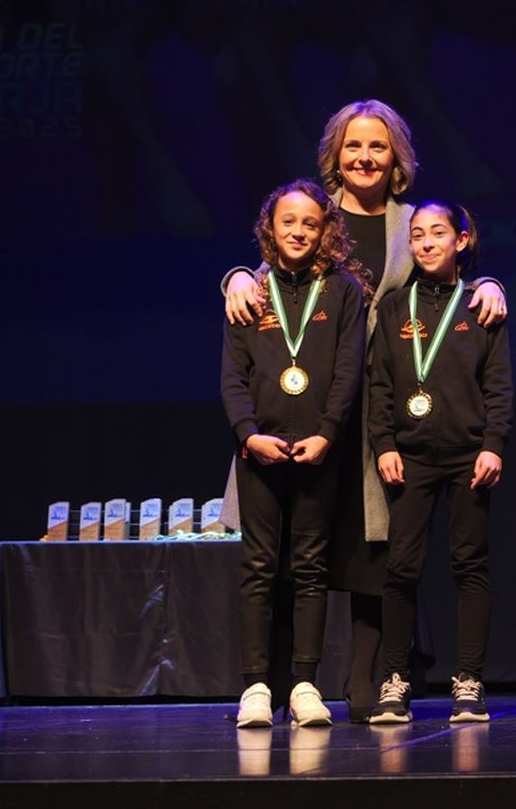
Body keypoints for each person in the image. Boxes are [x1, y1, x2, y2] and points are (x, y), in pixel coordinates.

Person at [220, 100, 508, 722]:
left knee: (375, 546)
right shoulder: (314, 214)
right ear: (335, 154)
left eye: (378, 146)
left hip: (384, 406)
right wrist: (237, 275)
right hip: (309, 407)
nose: (365, 157)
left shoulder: (413, 222)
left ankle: (371, 678)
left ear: (396, 156)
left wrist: (490, 283)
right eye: (353, 145)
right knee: (287, 550)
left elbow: (451, 273)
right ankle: (278, 682)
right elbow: (271, 273)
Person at [221, 179, 368, 728]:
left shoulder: (343, 290)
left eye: (310, 222)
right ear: (271, 228)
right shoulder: (251, 291)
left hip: (317, 451)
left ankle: (305, 683)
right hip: (258, 451)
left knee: (310, 567)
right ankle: (256, 686)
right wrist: (247, 433)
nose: (299, 231)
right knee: (258, 567)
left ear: (326, 229)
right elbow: (233, 376)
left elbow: (349, 370)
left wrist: (328, 432)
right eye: (289, 221)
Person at [364, 201, 513, 725]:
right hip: (409, 457)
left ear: (461, 240)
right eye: (417, 235)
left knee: (470, 565)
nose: (426, 243)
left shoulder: (481, 305)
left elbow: (498, 383)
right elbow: (379, 383)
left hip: (470, 455)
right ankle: (395, 678)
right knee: (402, 568)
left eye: (438, 233)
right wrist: (384, 443)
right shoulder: (393, 308)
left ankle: (469, 679)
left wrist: (494, 443)